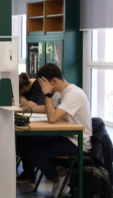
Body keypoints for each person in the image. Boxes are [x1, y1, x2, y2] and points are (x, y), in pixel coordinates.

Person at [19, 63, 92, 198]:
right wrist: (23, 109)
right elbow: (47, 109)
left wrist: (47, 94)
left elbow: (52, 117)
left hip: (77, 142)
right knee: (25, 146)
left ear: (53, 81)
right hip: (65, 136)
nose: (42, 89)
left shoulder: (73, 94)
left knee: (35, 154)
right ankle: (59, 169)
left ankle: (58, 176)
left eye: (43, 85)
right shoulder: (60, 93)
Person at [15, 72, 46, 182]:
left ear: (22, 89)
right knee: (19, 138)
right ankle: (27, 172)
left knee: (24, 140)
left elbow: (30, 106)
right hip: (35, 122)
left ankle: (29, 173)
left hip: (42, 124)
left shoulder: (38, 86)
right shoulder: (29, 87)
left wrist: (21, 98)